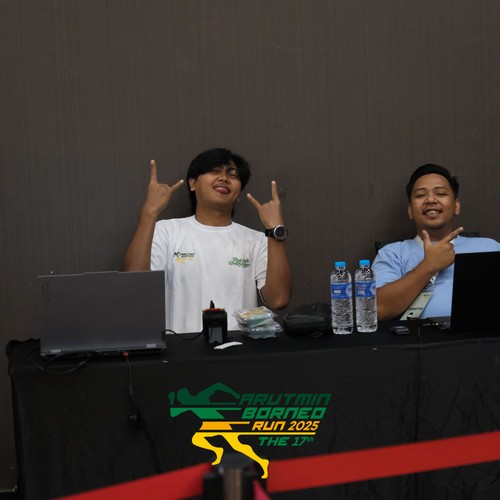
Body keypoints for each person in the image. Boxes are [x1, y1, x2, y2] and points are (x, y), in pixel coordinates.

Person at [123, 148, 291, 333]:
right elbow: (134, 286)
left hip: (240, 347)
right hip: (181, 347)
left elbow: (279, 299)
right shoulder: (167, 231)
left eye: (233, 175)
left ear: (238, 193)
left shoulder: (256, 240)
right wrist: (149, 212)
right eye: (214, 171)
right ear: (193, 183)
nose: (224, 178)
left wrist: (275, 230)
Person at [372, 164, 500, 320]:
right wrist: (429, 266)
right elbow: (377, 310)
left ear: (456, 206)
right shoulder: (392, 254)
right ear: (410, 211)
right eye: (421, 195)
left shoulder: (490, 247)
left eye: (440, 193)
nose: (431, 200)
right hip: (421, 335)